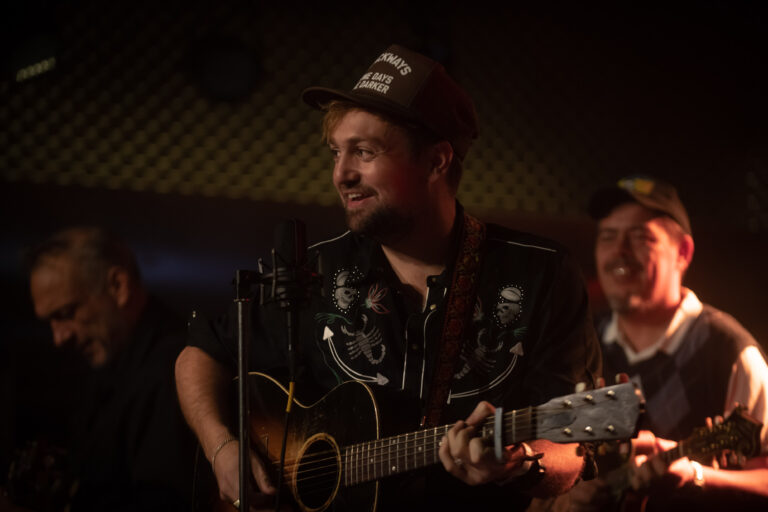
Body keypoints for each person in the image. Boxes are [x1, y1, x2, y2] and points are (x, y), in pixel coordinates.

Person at [175, 43, 602, 511]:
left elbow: (571, 445)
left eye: (364, 151)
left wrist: (521, 462)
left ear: (436, 161)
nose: (341, 174)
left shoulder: (540, 273)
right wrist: (222, 448)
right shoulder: (316, 272)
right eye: (336, 153)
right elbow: (200, 354)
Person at [564, 176, 768, 511]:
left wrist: (699, 476)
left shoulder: (730, 351)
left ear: (683, 252)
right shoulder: (581, 341)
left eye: (640, 237)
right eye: (608, 237)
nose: (619, 252)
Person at [19, 226, 198, 511]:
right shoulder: (108, 365)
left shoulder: (171, 369)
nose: (58, 338)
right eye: (50, 322)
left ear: (118, 286)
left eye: (66, 314)